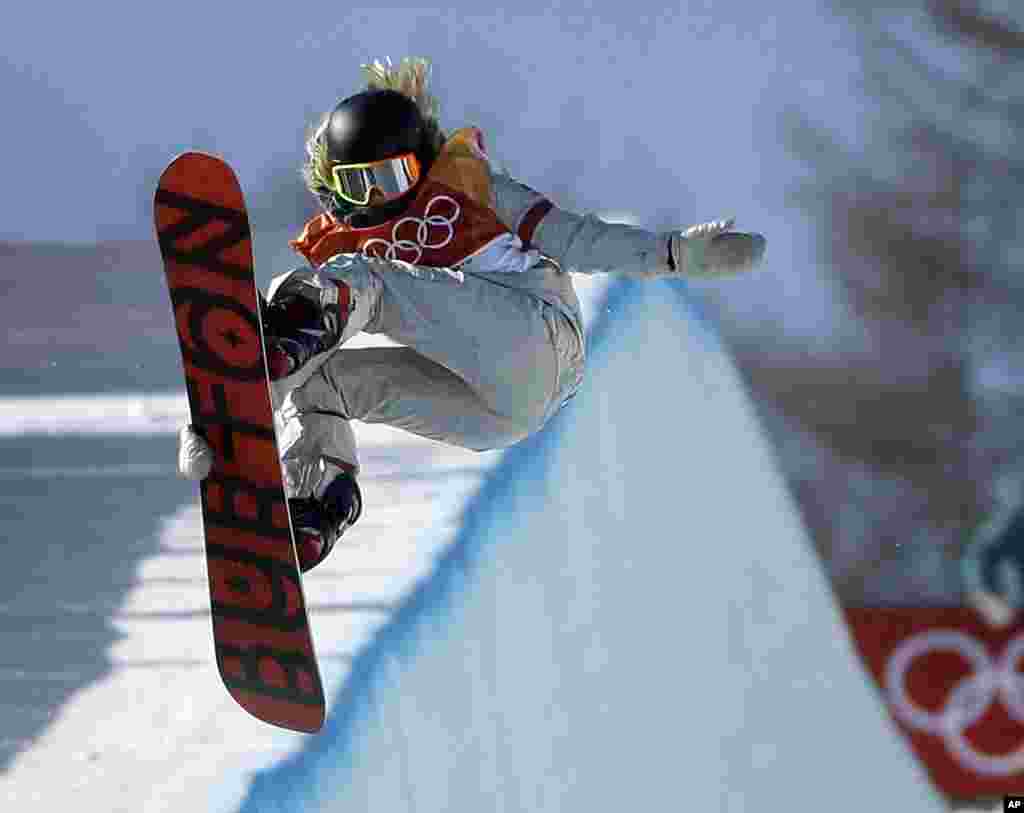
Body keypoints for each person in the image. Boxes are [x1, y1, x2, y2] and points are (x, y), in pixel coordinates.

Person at [177, 56, 767, 572]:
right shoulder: (337, 246)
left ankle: (286, 350)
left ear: (420, 161)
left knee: (356, 287)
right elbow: (288, 352)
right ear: (337, 187)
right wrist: (223, 424)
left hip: (535, 335)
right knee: (319, 381)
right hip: (495, 413)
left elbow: (578, 239)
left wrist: (672, 252)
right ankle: (315, 503)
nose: (385, 195)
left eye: (396, 175)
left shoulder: (467, 186)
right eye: (366, 184)